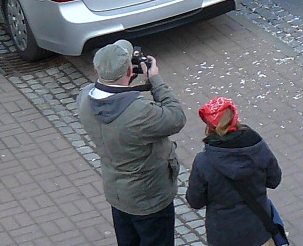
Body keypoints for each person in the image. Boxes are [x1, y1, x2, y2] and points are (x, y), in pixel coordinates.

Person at [77, 41, 186, 246]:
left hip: (118, 193)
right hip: (150, 198)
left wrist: (124, 82)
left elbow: (112, 95)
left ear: (96, 70)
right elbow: (176, 118)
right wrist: (155, 81)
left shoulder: (84, 97)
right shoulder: (139, 112)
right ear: (129, 70)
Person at [187, 97, 286, 246]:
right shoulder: (257, 147)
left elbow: (195, 201)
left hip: (224, 235)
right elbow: (274, 181)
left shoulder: (204, 162)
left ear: (209, 126)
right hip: (259, 230)